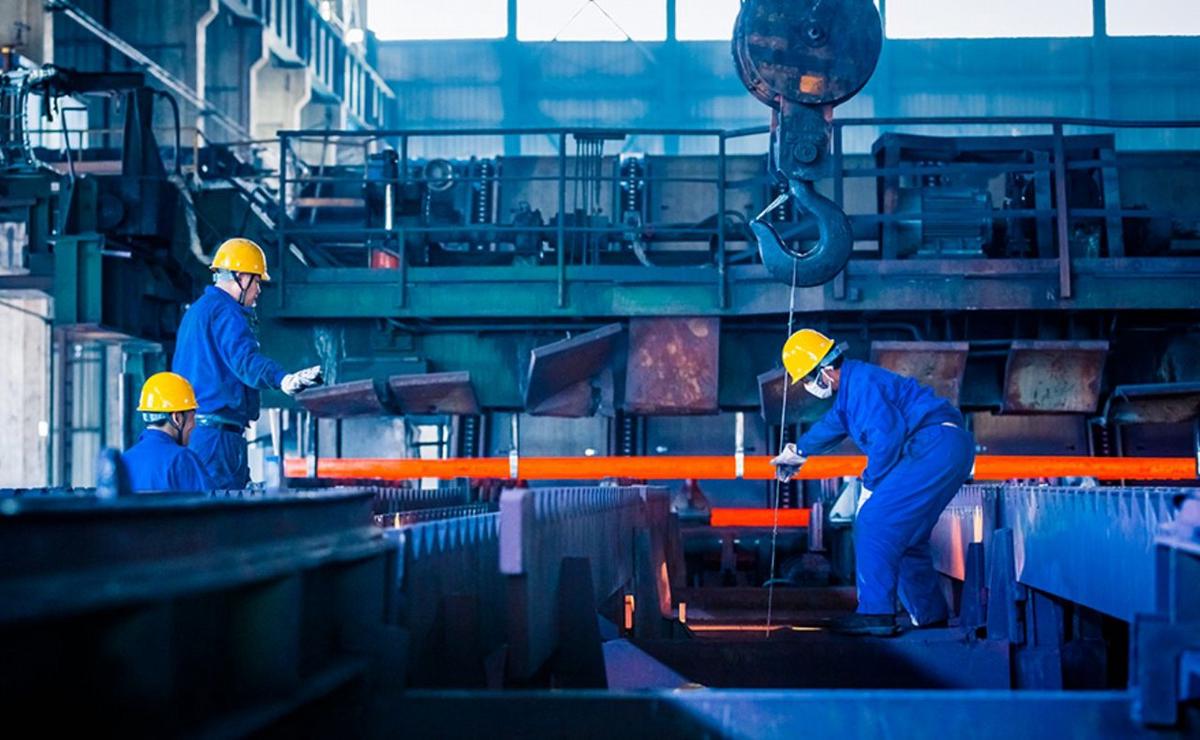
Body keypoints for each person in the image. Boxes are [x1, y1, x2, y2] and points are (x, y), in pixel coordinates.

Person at [770, 329, 975, 636]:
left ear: (824, 371)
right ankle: (931, 618)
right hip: (945, 447)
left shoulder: (861, 385)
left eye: (809, 379)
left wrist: (870, 485)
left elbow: (886, 439)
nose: (810, 387)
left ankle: (875, 614)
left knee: (873, 520)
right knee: (907, 539)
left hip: (933, 445)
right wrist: (798, 451)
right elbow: (832, 425)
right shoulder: (854, 388)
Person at [173, 237, 323, 488]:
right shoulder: (226, 311)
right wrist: (282, 379)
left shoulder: (198, 311)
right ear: (241, 277)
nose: (259, 290)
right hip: (217, 439)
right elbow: (245, 360)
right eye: (256, 281)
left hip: (199, 433)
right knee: (225, 507)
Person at [121, 372, 209, 493]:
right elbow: (211, 503)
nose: (194, 425)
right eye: (192, 418)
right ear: (177, 418)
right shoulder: (182, 459)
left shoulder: (123, 461)